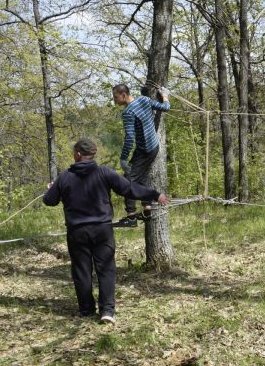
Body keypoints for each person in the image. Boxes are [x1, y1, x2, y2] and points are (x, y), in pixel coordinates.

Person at [43, 139, 169, 324]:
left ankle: (86, 310)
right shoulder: (104, 172)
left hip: (77, 232)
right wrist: (154, 194)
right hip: (102, 230)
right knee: (106, 270)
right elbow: (129, 188)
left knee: (82, 271)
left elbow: (49, 201)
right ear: (92, 154)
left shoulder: (64, 177)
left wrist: (51, 190)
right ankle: (107, 312)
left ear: (78, 154)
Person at [111, 83, 170, 227]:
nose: (115, 101)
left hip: (145, 150)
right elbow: (165, 107)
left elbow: (130, 138)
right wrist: (165, 95)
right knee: (140, 175)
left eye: (115, 97)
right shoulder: (144, 99)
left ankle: (131, 218)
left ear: (123, 95)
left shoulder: (128, 112)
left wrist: (123, 158)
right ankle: (147, 210)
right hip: (153, 147)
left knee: (127, 181)